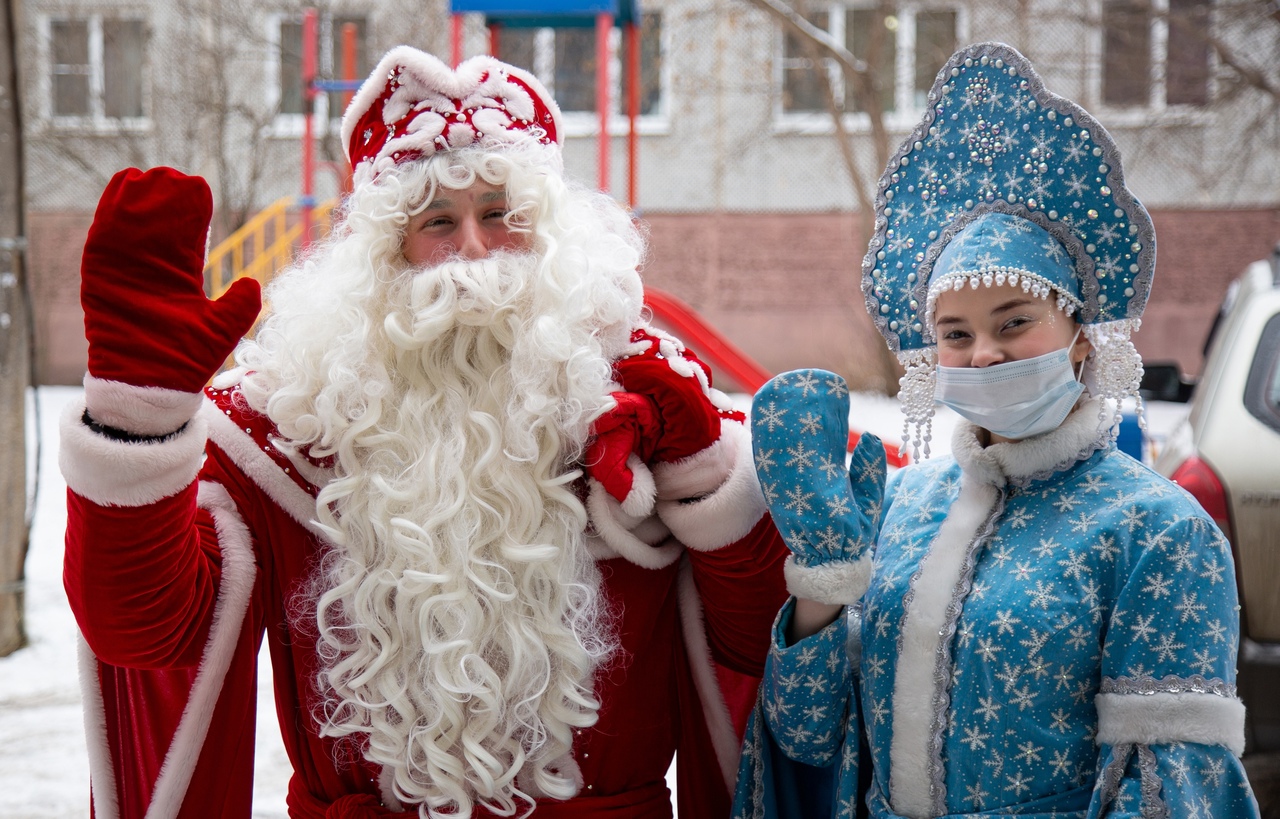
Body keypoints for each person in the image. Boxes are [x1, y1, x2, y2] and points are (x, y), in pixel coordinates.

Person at [61, 46, 789, 819]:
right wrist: (135, 419)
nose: (474, 248)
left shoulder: (647, 403)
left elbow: (758, 642)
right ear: (382, 254)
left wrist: (703, 474)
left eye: (503, 216)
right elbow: (146, 631)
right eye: (438, 220)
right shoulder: (291, 428)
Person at [731, 42, 1260, 819]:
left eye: (1014, 322)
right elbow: (809, 740)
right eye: (955, 333)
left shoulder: (1157, 531)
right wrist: (820, 583)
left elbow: (1169, 792)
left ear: (1082, 333)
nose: (983, 353)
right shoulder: (899, 507)